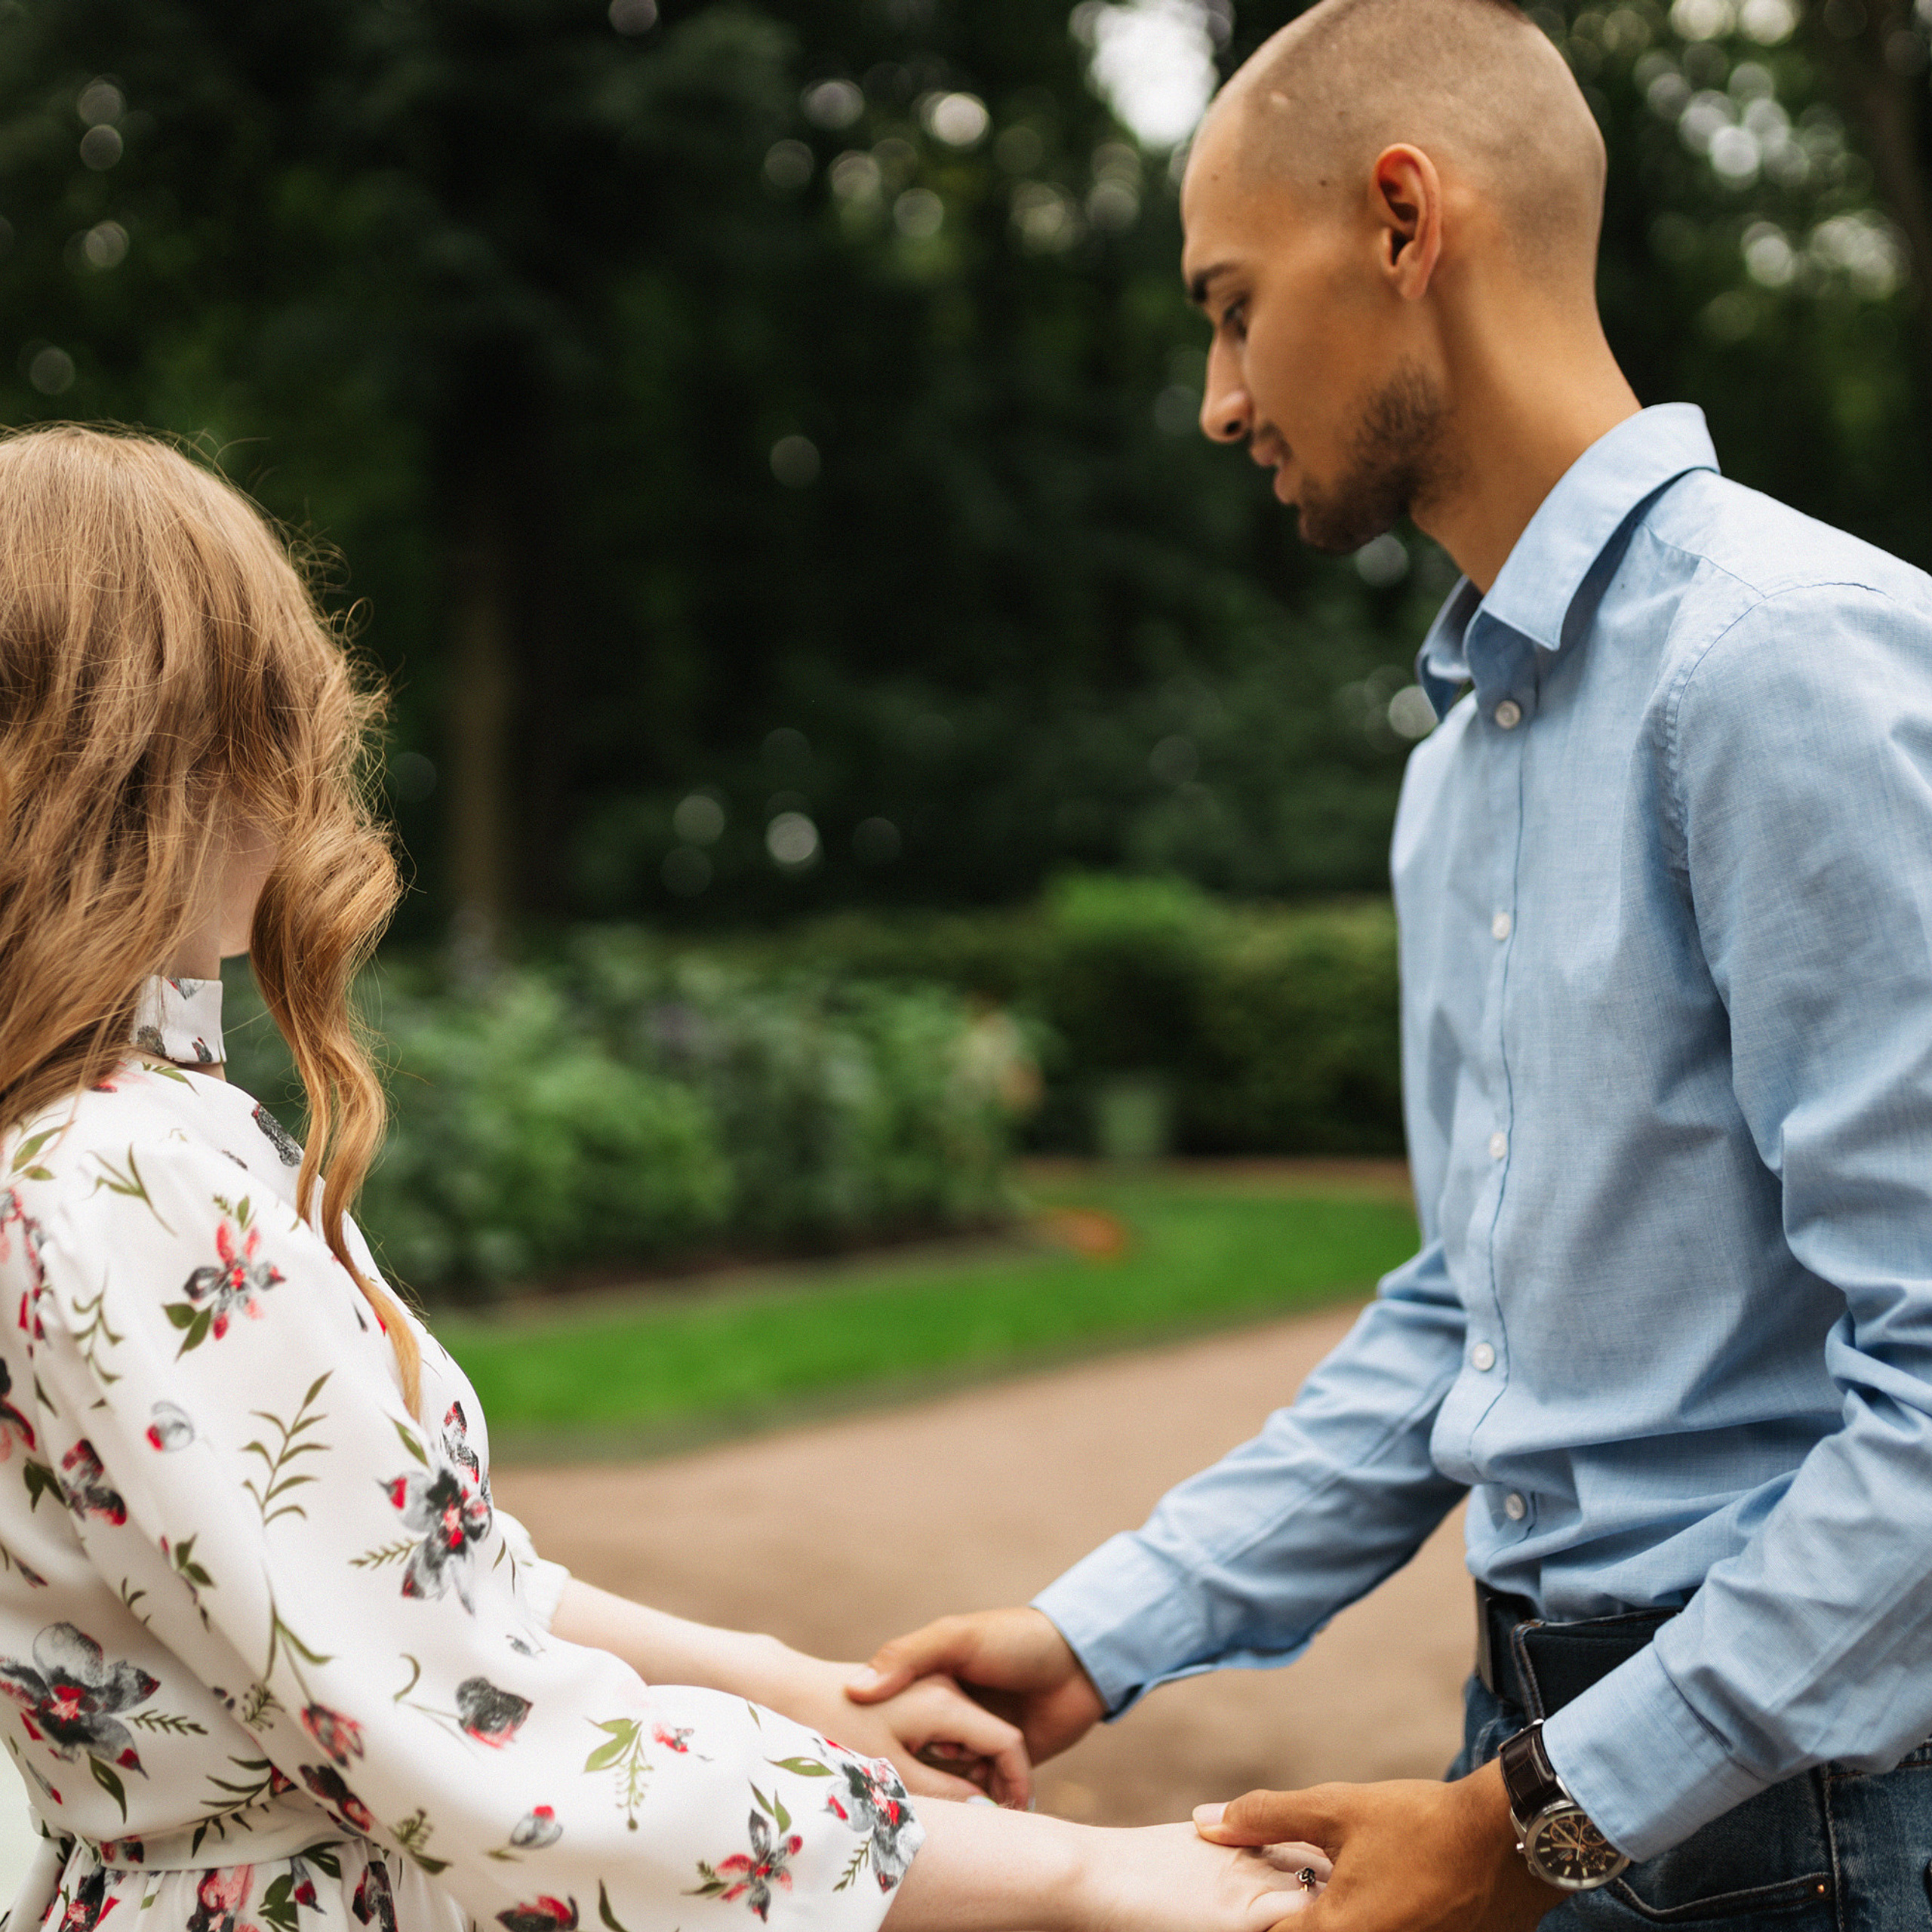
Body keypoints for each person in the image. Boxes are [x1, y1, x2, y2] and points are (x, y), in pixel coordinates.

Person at [845, 2, 1932, 1928]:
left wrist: (1542, 1817)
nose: (1216, 393)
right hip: (1541, 1738)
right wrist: (1100, 1630)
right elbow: (1464, 1313)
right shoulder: (1458, 774)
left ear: (1403, 222)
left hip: (1795, 1804)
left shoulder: (1781, 665)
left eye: (1229, 303)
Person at [0, 425, 1329, 1932]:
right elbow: (481, 1754)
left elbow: (421, 1568)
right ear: (176, 742)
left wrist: (782, 1679)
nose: (300, 770)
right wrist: (1085, 1871)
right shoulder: (127, 1171)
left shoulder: (73, 1136)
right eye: (265, 706)